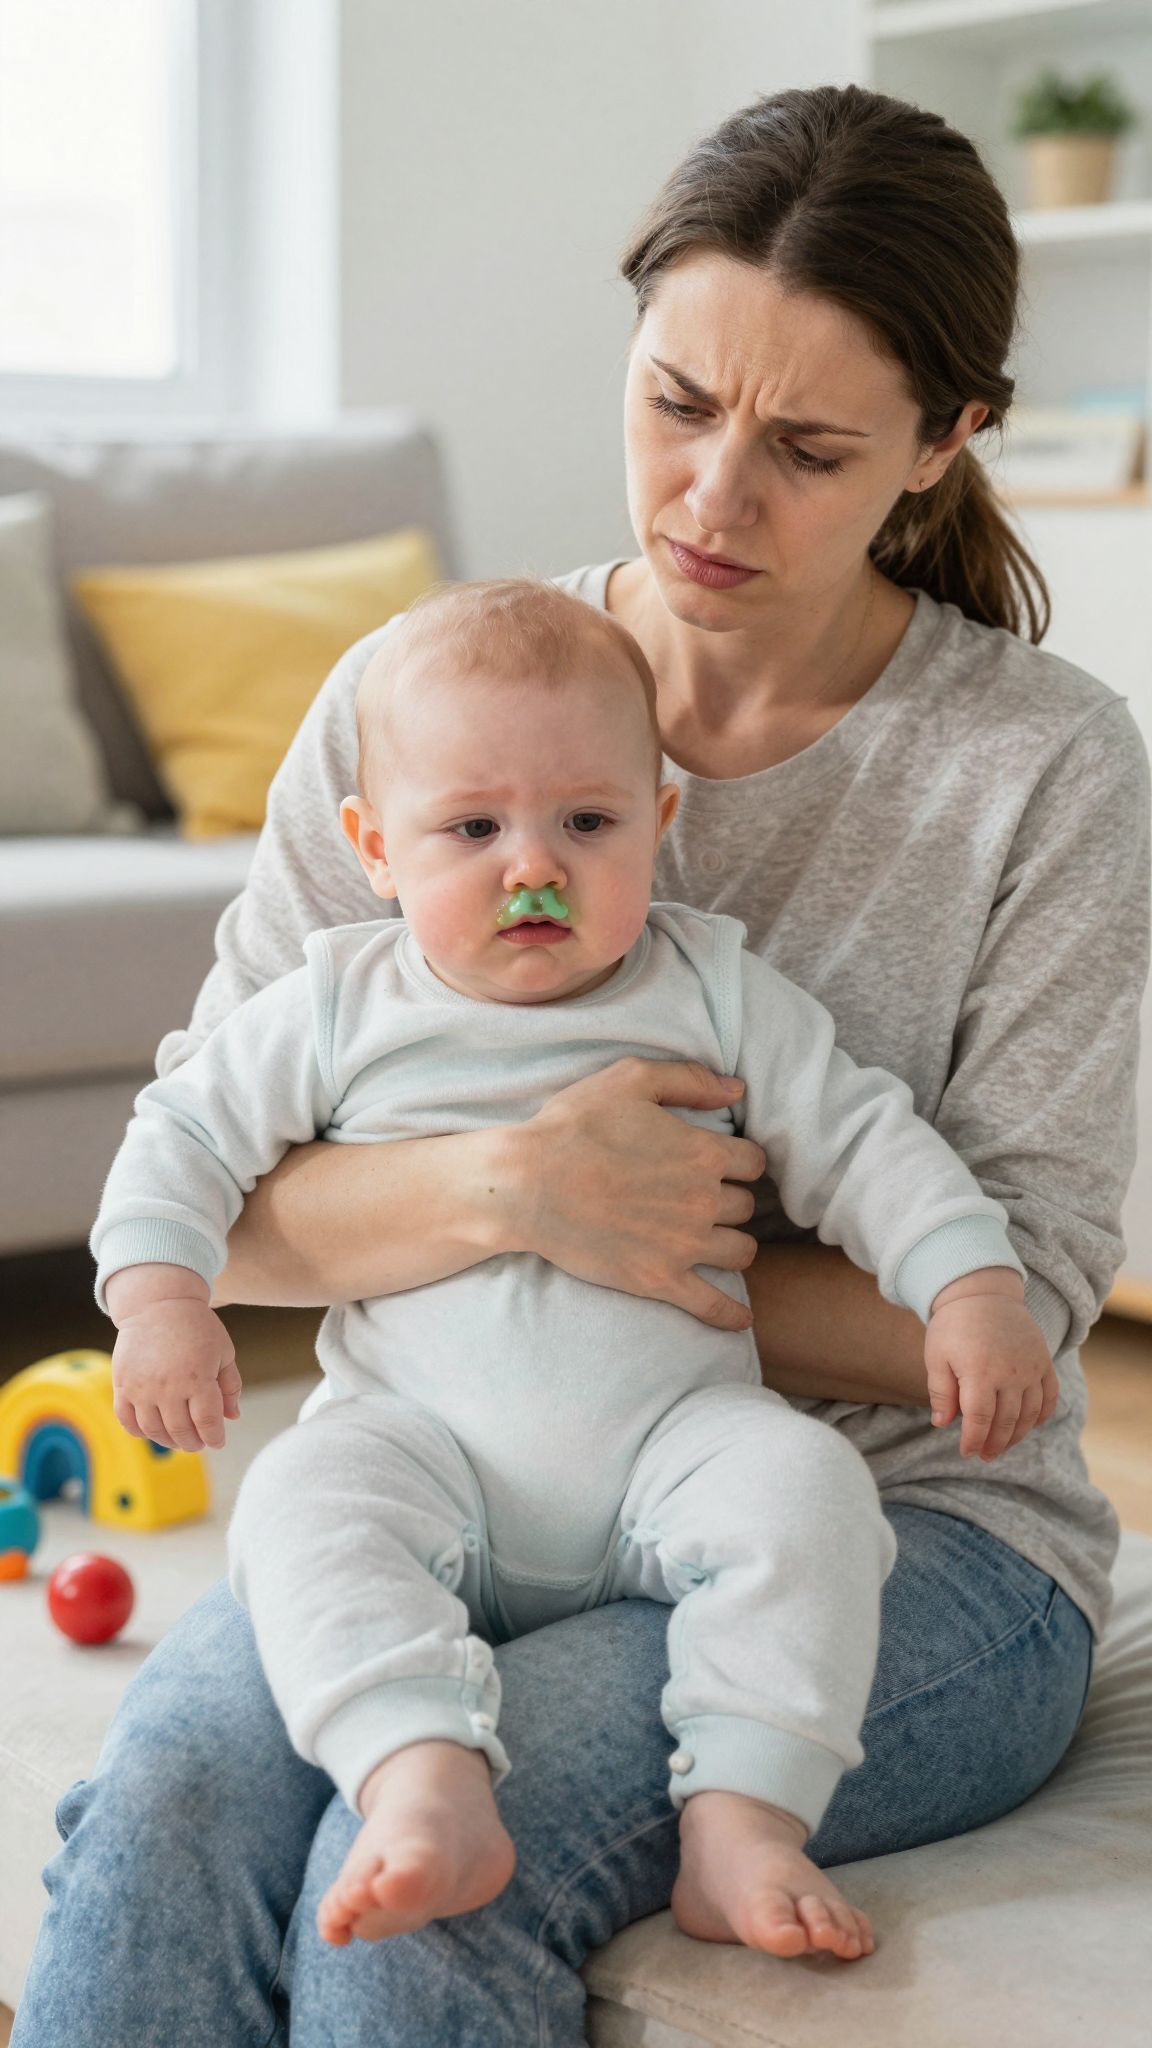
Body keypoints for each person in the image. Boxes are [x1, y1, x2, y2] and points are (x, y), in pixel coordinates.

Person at [12, 82, 1148, 2048]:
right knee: (178, 1797)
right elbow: (223, 1192)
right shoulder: (427, 711)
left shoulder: (1042, 771)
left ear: (948, 439)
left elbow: (1016, 1310)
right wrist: (510, 1195)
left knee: (445, 1873)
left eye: (804, 448)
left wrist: (644, 1265)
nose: (711, 499)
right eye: (676, 403)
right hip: (450, 1468)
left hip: (891, 1530)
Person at [90, 575, 1055, 1965]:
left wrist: (971, 1289)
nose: (529, 867)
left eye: (586, 823)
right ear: (372, 846)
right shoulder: (340, 1001)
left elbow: (866, 1141)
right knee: (300, 1503)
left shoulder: (712, 984)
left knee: (810, 1496)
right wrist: (159, 1298)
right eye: (471, 828)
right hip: (422, 1444)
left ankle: (741, 1818)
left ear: (660, 826)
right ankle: (416, 1766)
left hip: (671, 1446)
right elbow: (180, 1136)